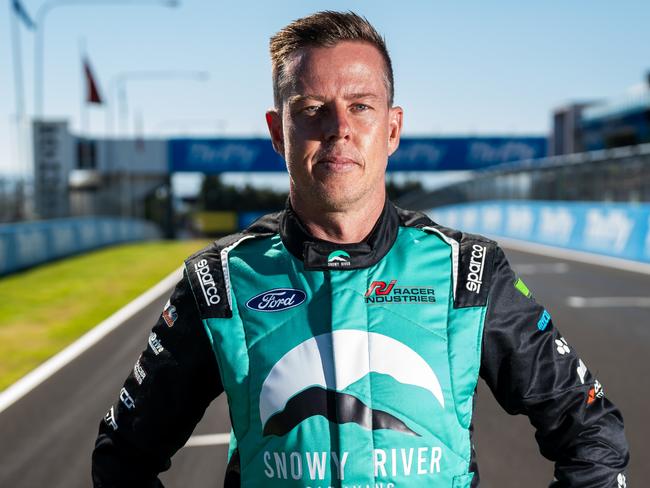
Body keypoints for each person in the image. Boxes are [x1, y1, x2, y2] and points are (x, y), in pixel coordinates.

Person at [92, 11, 629, 488]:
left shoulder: (468, 273)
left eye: (361, 106)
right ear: (278, 132)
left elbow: (591, 434)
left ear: (392, 128)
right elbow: (122, 460)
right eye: (312, 109)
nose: (339, 130)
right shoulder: (221, 284)